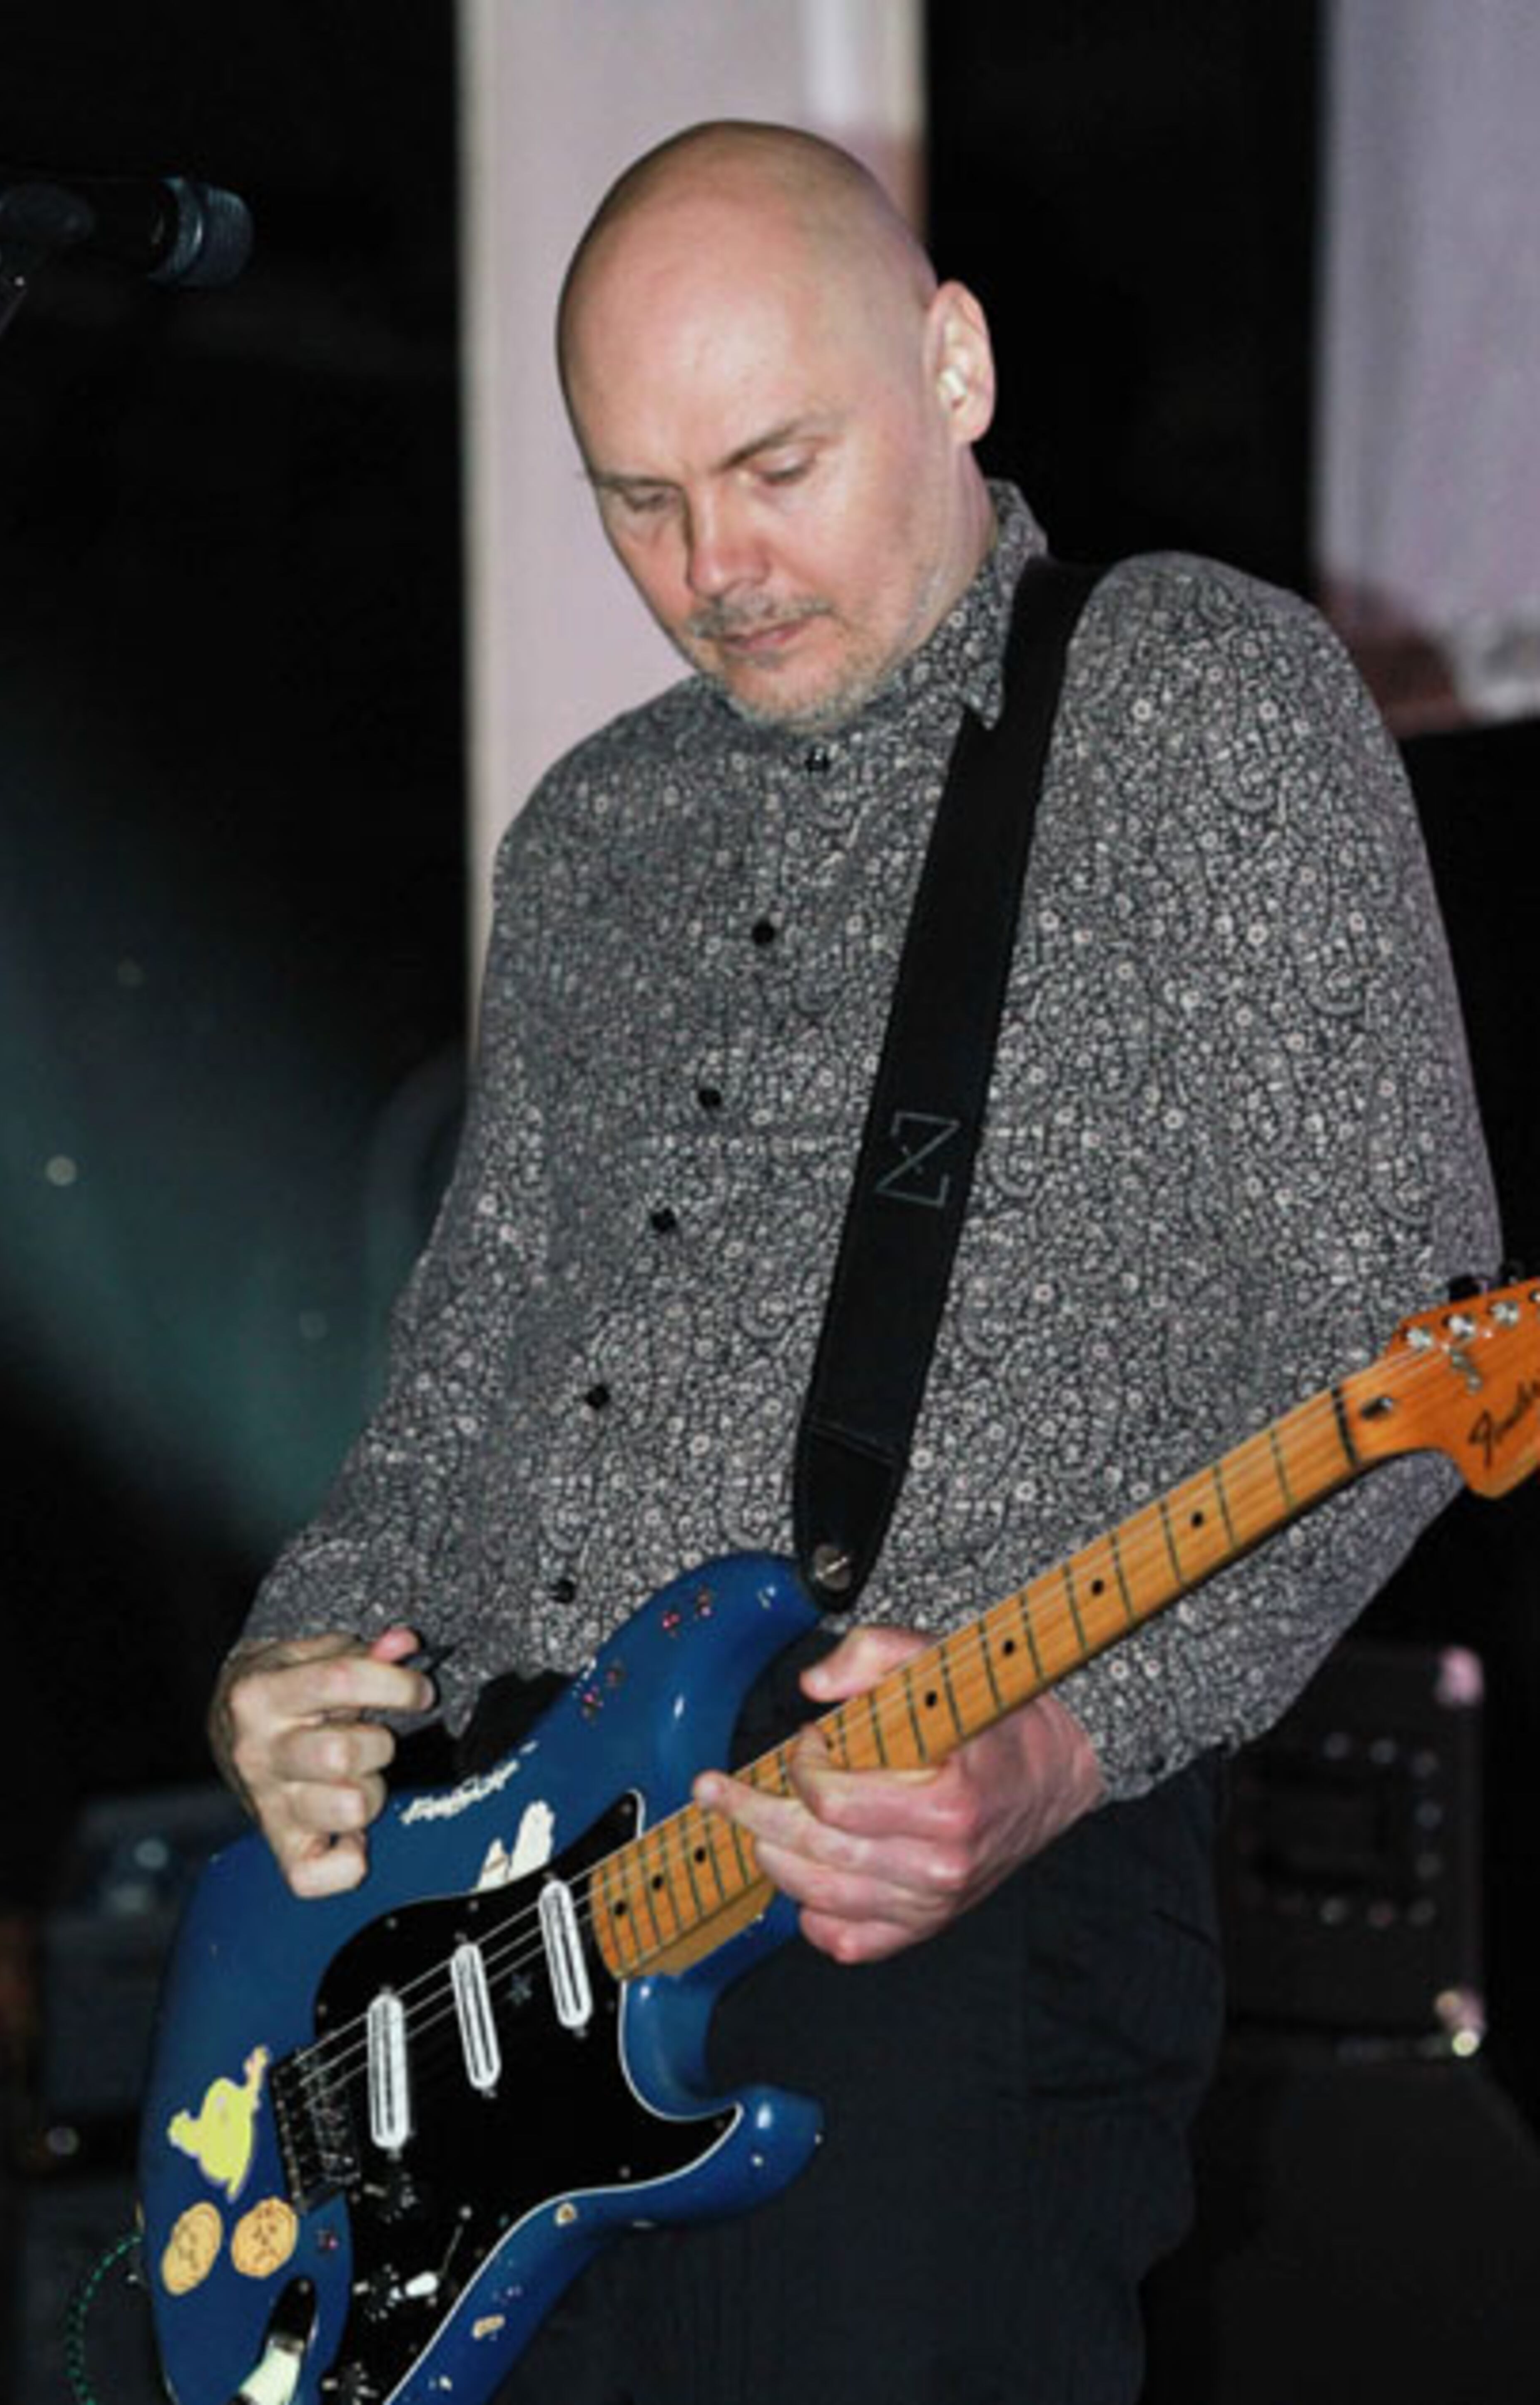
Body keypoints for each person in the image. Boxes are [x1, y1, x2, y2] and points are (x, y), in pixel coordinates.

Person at [211, 122, 1497, 2403]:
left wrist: (1076, 1745)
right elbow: (467, 1367)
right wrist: (310, 1641)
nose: (713, 566)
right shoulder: (594, 831)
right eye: (638, 498)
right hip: (469, 1964)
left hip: (925, 1909)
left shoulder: (1203, 703)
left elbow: (1398, 1343)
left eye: (775, 462)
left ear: (955, 364)